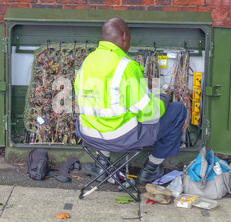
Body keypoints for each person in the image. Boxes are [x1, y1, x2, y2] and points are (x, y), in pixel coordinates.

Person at [74, 17, 187, 185]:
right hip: (120, 138)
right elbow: (149, 113)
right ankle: (150, 170)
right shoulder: (126, 66)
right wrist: (162, 98)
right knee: (178, 110)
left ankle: (101, 165)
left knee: (105, 115)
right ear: (125, 36)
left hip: (88, 133)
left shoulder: (88, 61)